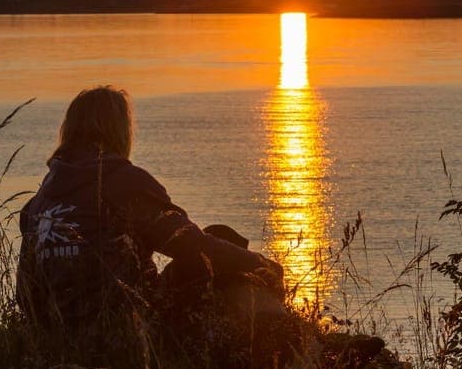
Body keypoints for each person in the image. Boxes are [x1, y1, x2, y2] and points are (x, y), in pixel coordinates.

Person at [16, 86, 283, 332]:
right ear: (119, 131)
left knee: (218, 247)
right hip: (130, 328)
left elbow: (24, 293)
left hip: (59, 336)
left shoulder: (39, 201)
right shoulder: (124, 182)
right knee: (220, 241)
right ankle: (272, 349)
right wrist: (262, 264)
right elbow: (190, 245)